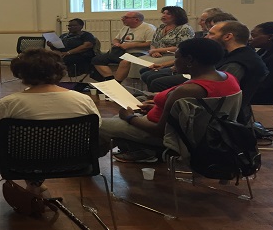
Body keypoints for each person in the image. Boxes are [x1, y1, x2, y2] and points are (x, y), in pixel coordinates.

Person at [100, 38, 241, 163]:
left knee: (100, 124)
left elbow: (160, 131)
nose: (174, 62)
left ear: (190, 60)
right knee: (124, 114)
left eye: (177, 57)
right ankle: (135, 149)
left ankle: (88, 162)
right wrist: (158, 106)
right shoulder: (228, 77)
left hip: (174, 139)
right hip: (209, 135)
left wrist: (130, 117)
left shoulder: (190, 89)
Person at [0, 48, 101, 197]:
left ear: (21, 74)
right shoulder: (83, 99)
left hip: (21, 165)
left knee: (23, 147)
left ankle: (34, 186)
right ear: (59, 70)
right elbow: (96, 129)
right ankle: (35, 186)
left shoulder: (9, 103)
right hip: (73, 162)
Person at [147, 21, 268, 125]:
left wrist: (170, 100)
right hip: (214, 116)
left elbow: (214, 97)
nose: (206, 37)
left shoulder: (236, 65)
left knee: (158, 82)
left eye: (211, 34)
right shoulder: (239, 55)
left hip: (212, 123)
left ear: (228, 36)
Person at [140, 8, 228, 88]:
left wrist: (166, 64)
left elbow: (184, 53)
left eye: (203, 20)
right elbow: (154, 42)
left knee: (155, 80)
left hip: (179, 61)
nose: (199, 23)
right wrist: (154, 51)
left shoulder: (187, 30)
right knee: (146, 72)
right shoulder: (202, 36)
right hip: (182, 64)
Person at [116, 6, 194, 81]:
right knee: (133, 62)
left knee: (144, 65)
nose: (164, 16)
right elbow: (154, 42)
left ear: (177, 16)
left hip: (174, 55)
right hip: (157, 54)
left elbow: (181, 47)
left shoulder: (184, 28)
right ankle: (128, 84)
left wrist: (158, 50)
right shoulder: (161, 27)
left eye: (168, 14)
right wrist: (154, 50)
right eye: (163, 13)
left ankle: (148, 84)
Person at [91, 12, 156, 81]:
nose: (122, 19)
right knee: (97, 60)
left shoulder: (149, 28)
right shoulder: (125, 28)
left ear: (136, 20)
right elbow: (116, 39)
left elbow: (151, 43)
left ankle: (118, 82)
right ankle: (110, 79)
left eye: (126, 18)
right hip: (121, 52)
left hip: (139, 52)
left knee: (125, 61)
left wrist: (132, 45)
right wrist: (116, 43)